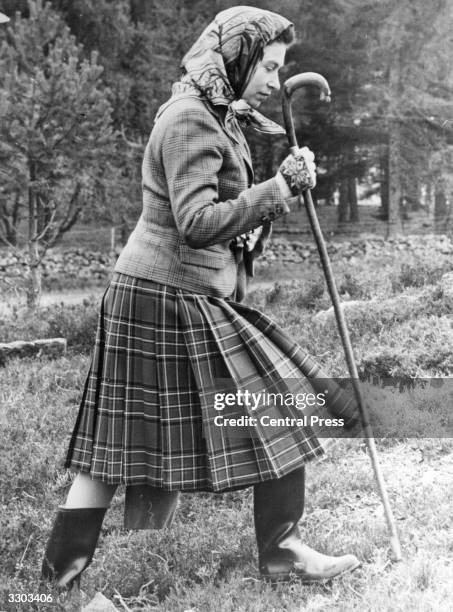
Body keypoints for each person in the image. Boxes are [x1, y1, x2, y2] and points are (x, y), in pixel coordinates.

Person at [41, 6, 360, 588]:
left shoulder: (218, 114)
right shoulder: (191, 118)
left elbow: (229, 222)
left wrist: (277, 195)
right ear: (234, 58)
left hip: (167, 292)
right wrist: (278, 187)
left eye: (278, 67)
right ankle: (59, 587)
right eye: (265, 65)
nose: (272, 80)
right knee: (260, 408)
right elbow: (194, 220)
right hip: (163, 297)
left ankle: (102, 579)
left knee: (132, 449)